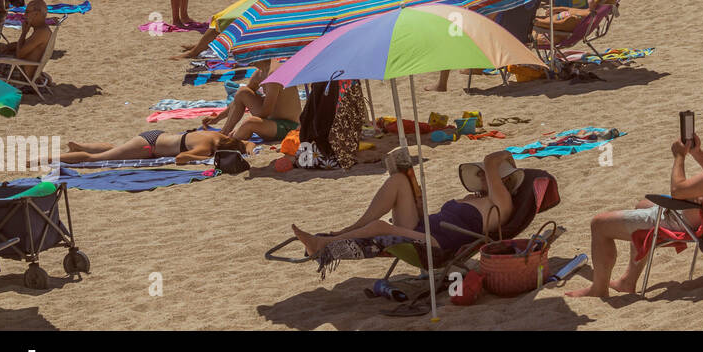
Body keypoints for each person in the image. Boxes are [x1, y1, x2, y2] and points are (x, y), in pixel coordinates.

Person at [567, 105, 703, 298]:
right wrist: (697, 153)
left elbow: (678, 191)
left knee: (599, 224)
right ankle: (628, 280)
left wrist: (679, 157)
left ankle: (598, 288)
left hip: (689, 222)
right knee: (642, 206)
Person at [291, 150, 522, 277]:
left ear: (501, 180)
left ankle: (321, 244)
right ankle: (352, 228)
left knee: (380, 228)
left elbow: (490, 160)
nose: (481, 175)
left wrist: (504, 158)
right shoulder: (478, 199)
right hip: (423, 228)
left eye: (485, 174)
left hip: (438, 244)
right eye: (480, 174)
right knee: (399, 181)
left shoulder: (502, 204)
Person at [204, 60, 302, 143]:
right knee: (242, 92)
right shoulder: (259, 73)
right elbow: (239, 98)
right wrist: (218, 118)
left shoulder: (274, 73)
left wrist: (243, 128)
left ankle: (229, 140)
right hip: (271, 123)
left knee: (249, 123)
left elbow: (266, 111)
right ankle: (225, 132)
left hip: (288, 127)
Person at [62, 129, 246, 165]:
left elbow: (247, 143)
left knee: (117, 149)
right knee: (92, 159)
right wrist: (206, 158)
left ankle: (80, 146)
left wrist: (251, 150)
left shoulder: (217, 135)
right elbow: (180, 159)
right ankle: (38, 159)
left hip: (155, 136)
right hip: (149, 146)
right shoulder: (205, 149)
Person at [15, 0, 53, 66]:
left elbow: (19, 54)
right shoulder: (42, 29)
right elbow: (26, 44)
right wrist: (7, 47)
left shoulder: (41, 32)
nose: (24, 16)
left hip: (22, 71)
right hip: (24, 67)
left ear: (36, 14)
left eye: (27, 12)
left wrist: (23, 33)